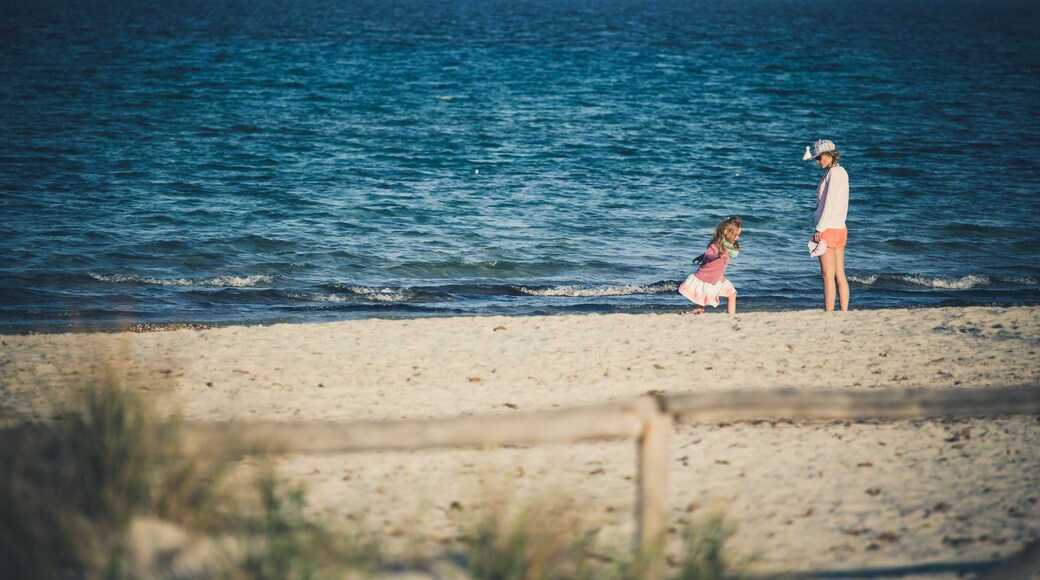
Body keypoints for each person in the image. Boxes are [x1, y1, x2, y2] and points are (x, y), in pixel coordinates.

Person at [803, 139, 849, 311]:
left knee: (827, 276)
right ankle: (844, 311)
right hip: (840, 228)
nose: (817, 161)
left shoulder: (833, 174)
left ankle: (829, 312)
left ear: (829, 155)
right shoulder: (842, 172)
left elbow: (829, 205)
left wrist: (819, 229)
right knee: (840, 275)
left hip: (828, 229)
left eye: (819, 157)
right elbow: (841, 203)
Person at [678, 216, 742, 315]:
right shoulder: (715, 245)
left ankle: (732, 317)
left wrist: (701, 257)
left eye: (738, 235)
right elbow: (709, 255)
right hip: (708, 279)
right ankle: (691, 313)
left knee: (732, 294)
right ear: (726, 232)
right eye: (736, 235)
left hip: (719, 278)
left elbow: (707, 255)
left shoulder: (727, 246)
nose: (738, 237)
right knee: (701, 308)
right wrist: (716, 255)